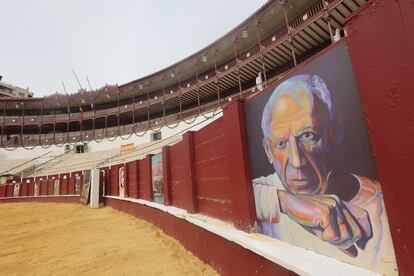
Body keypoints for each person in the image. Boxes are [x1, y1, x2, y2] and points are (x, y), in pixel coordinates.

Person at [253, 74, 396, 272]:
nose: (296, 161)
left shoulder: (385, 212)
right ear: (269, 151)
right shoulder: (268, 189)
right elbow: (232, 195)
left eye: (308, 135)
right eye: (282, 143)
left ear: (334, 134)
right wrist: (286, 203)